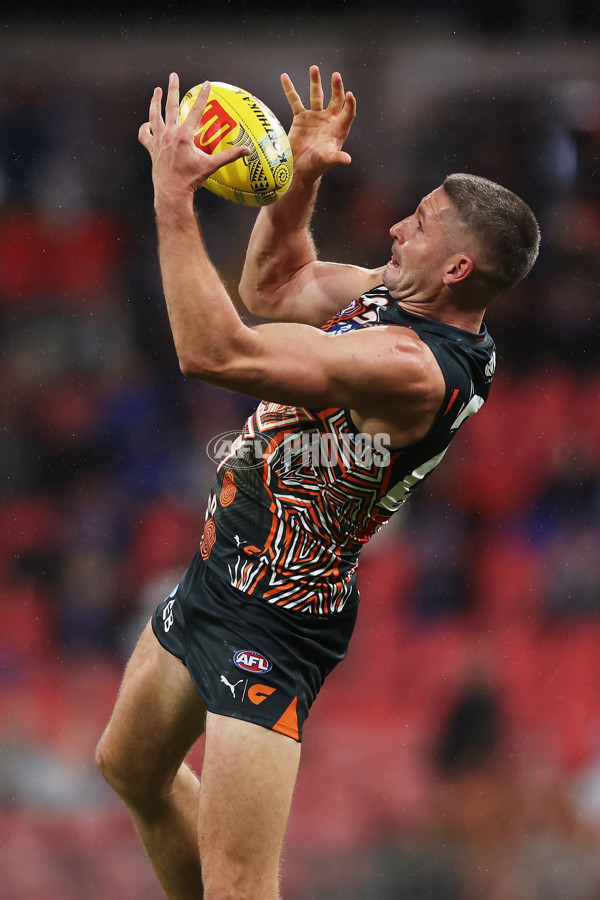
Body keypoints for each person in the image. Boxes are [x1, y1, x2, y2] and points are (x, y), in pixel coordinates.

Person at [95, 66, 540, 900]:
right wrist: (296, 181)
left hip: (277, 616)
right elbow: (273, 288)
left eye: (422, 223)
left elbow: (216, 351)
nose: (399, 225)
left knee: (240, 885)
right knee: (129, 767)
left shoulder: (411, 366)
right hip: (221, 567)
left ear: (457, 270)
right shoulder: (396, 297)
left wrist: (171, 199)